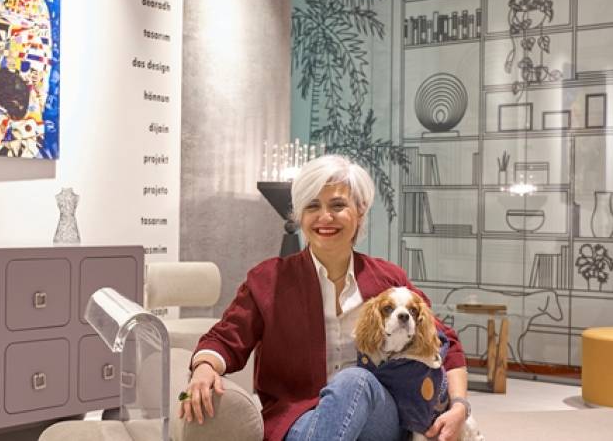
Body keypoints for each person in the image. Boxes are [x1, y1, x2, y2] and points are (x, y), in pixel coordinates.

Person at [178, 155, 469, 441]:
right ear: (300, 215)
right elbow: (226, 338)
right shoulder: (269, 280)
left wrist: (459, 406)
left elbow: (446, 343)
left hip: (379, 416)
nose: (325, 217)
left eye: (338, 205)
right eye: (312, 206)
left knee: (355, 380)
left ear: (360, 212)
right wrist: (204, 367)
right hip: (301, 418)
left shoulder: (389, 281)